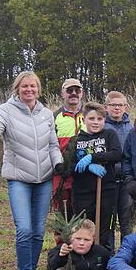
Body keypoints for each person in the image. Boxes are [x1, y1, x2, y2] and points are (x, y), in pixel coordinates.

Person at [0, 71, 63, 270]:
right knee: (24, 229)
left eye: (33, 86)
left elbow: (53, 144)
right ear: (17, 88)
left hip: (44, 178)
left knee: (37, 231)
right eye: (24, 86)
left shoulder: (45, 113)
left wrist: (58, 163)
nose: (29, 90)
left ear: (38, 89)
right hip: (19, 179)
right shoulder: (6, 110)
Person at [66, 102, 122, 252]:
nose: (96, 122)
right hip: (82, 193)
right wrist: (87, 167)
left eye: (99, 119)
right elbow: (68, 168)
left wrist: (92, 157)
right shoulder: (75, 141)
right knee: (84, 228)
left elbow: (116, 154)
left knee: (104, 229)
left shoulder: (109, 135)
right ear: (84, 120)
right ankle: (84, 261)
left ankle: (103, 259)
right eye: (91, 119)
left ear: (105, 120)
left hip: (106, 190)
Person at [104, 91, 135, 241]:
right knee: (109, 220)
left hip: (126, 180)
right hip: (107, 180)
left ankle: (126, 254)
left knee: (126, 220)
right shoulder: (101, 126)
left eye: (120, 105)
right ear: (106, 107)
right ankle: (109, 255)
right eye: (113, 105)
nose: (117, 108)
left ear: (125, 107)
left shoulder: (132, 128)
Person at [52, 78, 85, 217]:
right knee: (63, 214)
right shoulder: (53, 117)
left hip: (85, 173)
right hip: (62, 174)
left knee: (84, 214)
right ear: (62, 94)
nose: (73, 93)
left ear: (81, 93)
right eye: (69, 90)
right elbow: (49, 145)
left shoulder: (91, 115)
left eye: (77, 90)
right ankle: (64, 240)